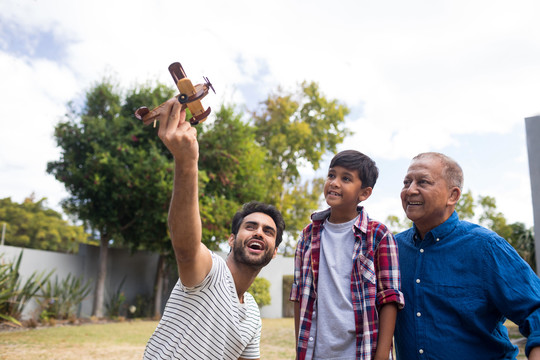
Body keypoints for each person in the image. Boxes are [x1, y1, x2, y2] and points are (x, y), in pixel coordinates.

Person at [142, 98, 286, 360]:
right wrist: (187, 162)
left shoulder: (253, 314)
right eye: (250, 226)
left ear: (275, 252)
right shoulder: (210, 271)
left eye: (268, 231)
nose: (258, 233)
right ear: (232, 239)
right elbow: (186, 248)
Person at [394, 152, 540, 359]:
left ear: (453, 196)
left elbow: (536, 310)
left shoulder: (487, 247)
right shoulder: (392, 249)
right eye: (406, 182)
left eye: (423, 182)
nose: (410, 190)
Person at [290, 149, 405, 360]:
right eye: (331, 175)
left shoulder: (378, 235)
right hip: (317, 352)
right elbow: (299, 296)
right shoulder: (308, 235)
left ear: (364, 193)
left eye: (346, 178)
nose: (334, 183)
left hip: (361, 352)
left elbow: (389, 299)